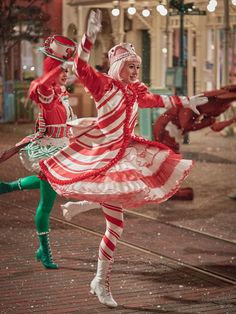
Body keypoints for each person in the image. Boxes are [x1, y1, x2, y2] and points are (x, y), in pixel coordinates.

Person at [39, 10, 208, 307]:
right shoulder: (103, 87)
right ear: (118, 67)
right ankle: (100, 280)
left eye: (138, 67)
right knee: (116, 226)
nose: (135, 72)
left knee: (118, 220)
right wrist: (88, 38)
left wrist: (186, 100)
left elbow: (159, 100)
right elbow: (80, 65)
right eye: (131, 66)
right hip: (104, 159)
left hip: (127, 154)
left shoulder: (134, 93)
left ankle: (97, 269)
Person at [0, 35, 79, 269]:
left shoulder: (62, 93)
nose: (64, 74)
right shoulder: (47, 94)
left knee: (52, 187)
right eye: (60, 70)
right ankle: (44, 251)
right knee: (47, 203)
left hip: (62, 148)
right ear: (51, 70)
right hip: (50, 152)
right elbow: (44, 85)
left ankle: (8, 187)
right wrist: (54, 67)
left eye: (66, 70)